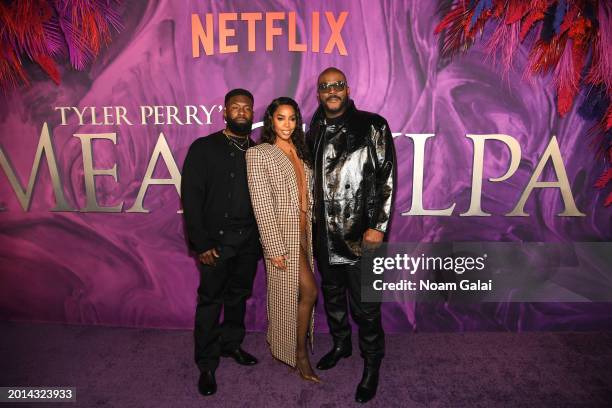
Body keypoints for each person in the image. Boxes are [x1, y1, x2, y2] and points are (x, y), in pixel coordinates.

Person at [306, 67, 396, 403]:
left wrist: (379, 226)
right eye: (325, 86)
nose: (332, 91)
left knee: (367, 307)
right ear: (319, 93)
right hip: (325, 234)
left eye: (337, 85)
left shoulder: (373, 124)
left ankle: (372, 363)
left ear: (347, 89)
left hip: (362, 234)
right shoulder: (314, 127)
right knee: (332, 297)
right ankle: (341, 344)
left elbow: (386, 176)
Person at [181, 88, 262, 397]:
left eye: (247, 108)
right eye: (235, 107)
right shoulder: (204, 148)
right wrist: (201, 244)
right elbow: (191, 197)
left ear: (253, 115)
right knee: (210, 301)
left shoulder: (257, 152)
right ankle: (206, 364)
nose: (241, 112)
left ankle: (232, 346)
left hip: (247, 243)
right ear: (224, 112)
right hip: (215, 243)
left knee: (238, 297)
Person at [245, 97, 320, 383]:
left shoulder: (300, 151)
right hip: (282, 236)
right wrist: (274, 247)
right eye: (280, 118)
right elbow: (261, 204)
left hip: (304, 234)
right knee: (308, 291)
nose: (287, 124)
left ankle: (292, 348)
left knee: (297, 295)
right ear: (270, 121)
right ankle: (299, 355)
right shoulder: (260, 154)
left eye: (291, 118)